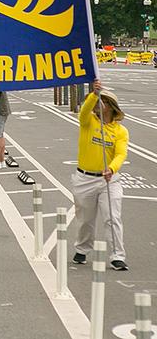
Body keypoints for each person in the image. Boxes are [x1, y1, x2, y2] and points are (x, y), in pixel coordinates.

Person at [71, 80, 129, 271]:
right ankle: (82, 248)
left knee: (112, 217)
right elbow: (84, 111)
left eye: (102, 101)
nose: (98, 104)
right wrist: (94, 94)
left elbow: (121, 153)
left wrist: (112, 168)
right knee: (85, 219)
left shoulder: (120, 131)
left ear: (111, 107)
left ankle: (117, 255)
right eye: (97, 100)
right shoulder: (88, 121)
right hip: (84, 179)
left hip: (108, 180)